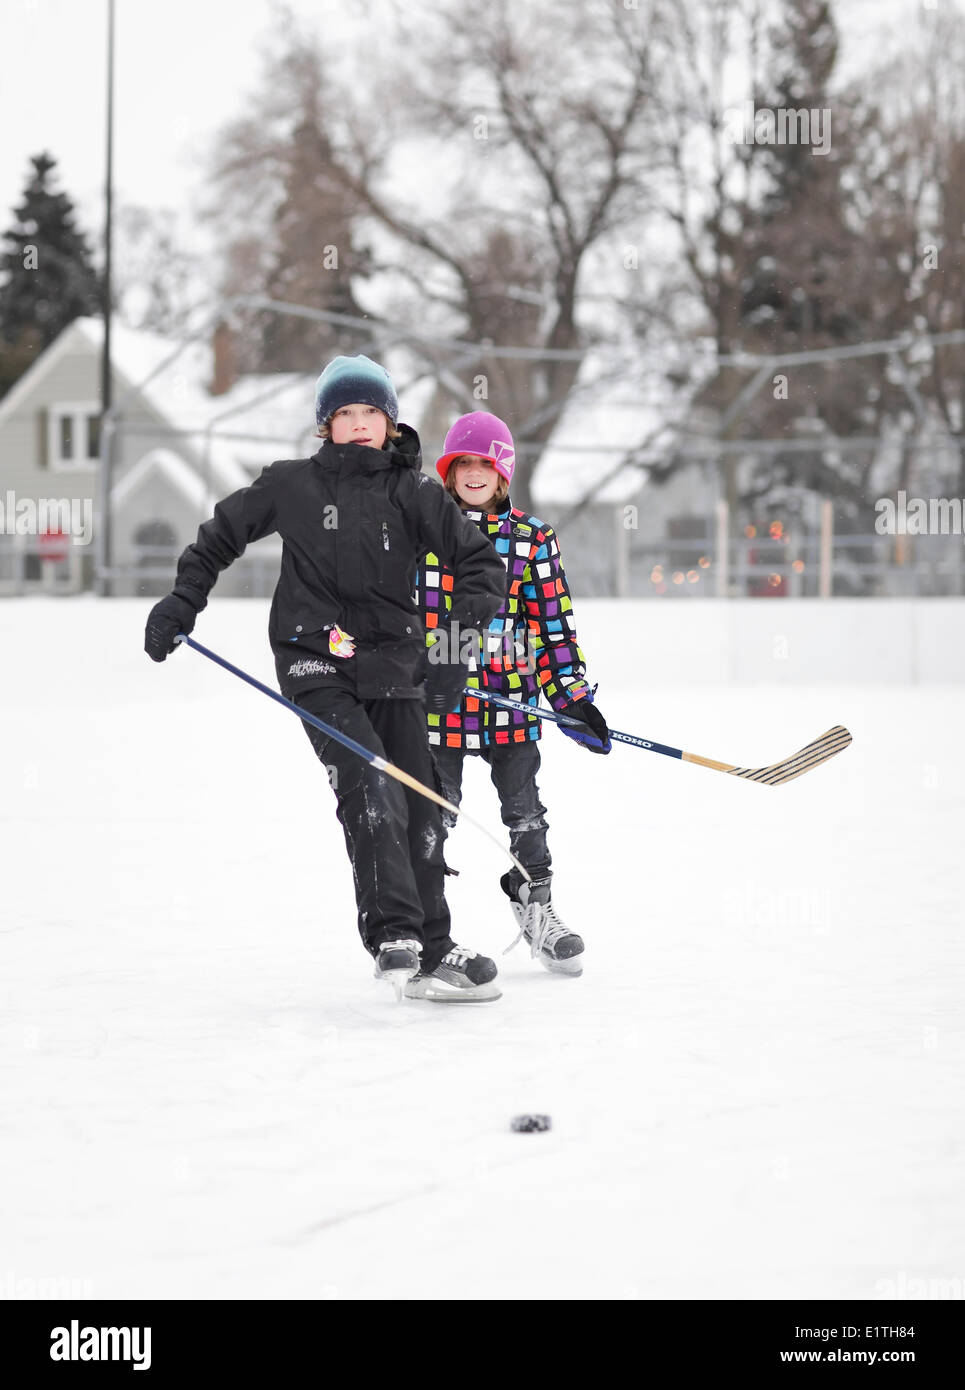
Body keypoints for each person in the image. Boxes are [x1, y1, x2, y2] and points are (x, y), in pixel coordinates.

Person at [144, 355, 506, 1002]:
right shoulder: (291, 486)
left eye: (372, 412)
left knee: (421, 801)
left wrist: (453, 646)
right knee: (369, 778)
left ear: (390, 423)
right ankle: (394, 933)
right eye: (346, 414)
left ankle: (434, 943)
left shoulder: (415, 493)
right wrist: (182, 601)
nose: (360, 424)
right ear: (325, 425)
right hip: (313, 656)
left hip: (395, 664)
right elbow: (217, 538)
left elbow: (479, 566)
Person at [416, 410, 611, 978]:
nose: (474, 472)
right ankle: (422, 925)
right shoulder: (421, 529)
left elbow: (554, 626)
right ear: (448, 472)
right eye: (463, 463)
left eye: (485, 463)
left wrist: (571, 698)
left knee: (526, 813)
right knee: (431, 815)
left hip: (511, 704)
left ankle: (537, 907)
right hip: (439, 704)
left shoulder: (532, 539)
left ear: (502, 473)